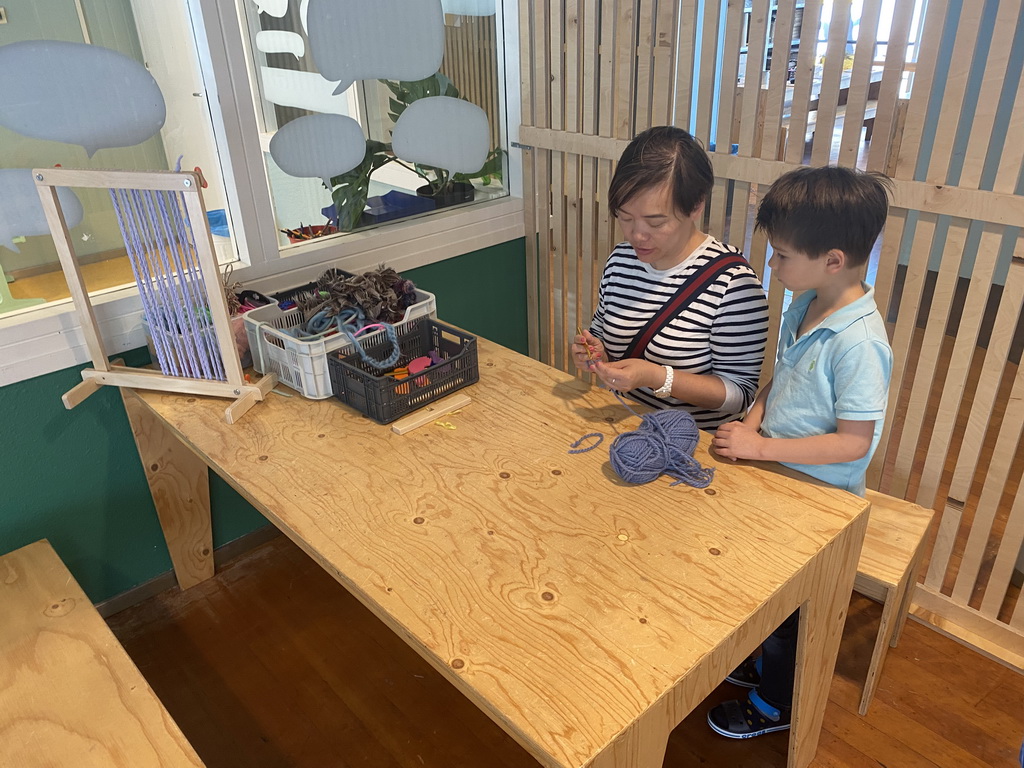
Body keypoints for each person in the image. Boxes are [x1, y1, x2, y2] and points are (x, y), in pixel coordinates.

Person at [707, 165, 894, 739]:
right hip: (778, 475)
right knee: (756, 585)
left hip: (822, 498)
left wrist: (761, 446)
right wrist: (753, 419)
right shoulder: (805, 301)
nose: (772, 266)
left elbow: (853, 442)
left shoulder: (859, 343)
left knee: (791, 613)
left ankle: (775, 704)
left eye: (782, 256)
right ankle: (762, 654)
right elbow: (781, 379)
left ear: (833, 260)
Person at [571, 126, 769, 430]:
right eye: (625, 217)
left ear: (696, 205)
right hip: (623, 429)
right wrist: (594, 350)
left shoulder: (733, 284)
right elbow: (602, 331)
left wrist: (656, 376)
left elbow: (739, 395)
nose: (637, 234)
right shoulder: (621, 260)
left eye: (656, 221)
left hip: (694, 447)